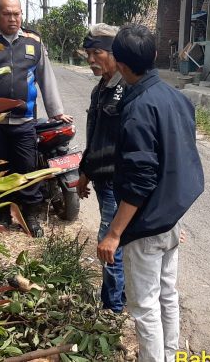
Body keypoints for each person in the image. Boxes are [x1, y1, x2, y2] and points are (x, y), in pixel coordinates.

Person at [96, 24, 204, 362]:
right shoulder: (178, 98)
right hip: (170, 219)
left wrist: (114, 233)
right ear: (155, 56)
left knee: (144, 307)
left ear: (122, 66)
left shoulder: (138, 109)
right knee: (167, 296)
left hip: (146, 225)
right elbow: (179, 160)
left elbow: (141, 180)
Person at [0, 0, 73, 237]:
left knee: (26, 167)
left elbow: (45, 77)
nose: (13, 19)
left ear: (22, 14)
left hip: (23, 121)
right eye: (7, 14)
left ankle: (30, 214)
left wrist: (56, 112)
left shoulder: (33, 41)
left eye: (17, 13)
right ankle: (3, 212)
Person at [77, 23, 126, 313]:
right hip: (101, 180)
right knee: (115, 241)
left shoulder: (128, 88)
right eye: (88, 53)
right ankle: (118, 299)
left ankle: (112, 308)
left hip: (119, 182)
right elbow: (94, 135)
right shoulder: (100, 90)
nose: (90, 60)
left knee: (109, 242)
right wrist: (85, 172)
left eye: (96, 53)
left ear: (114, 53)